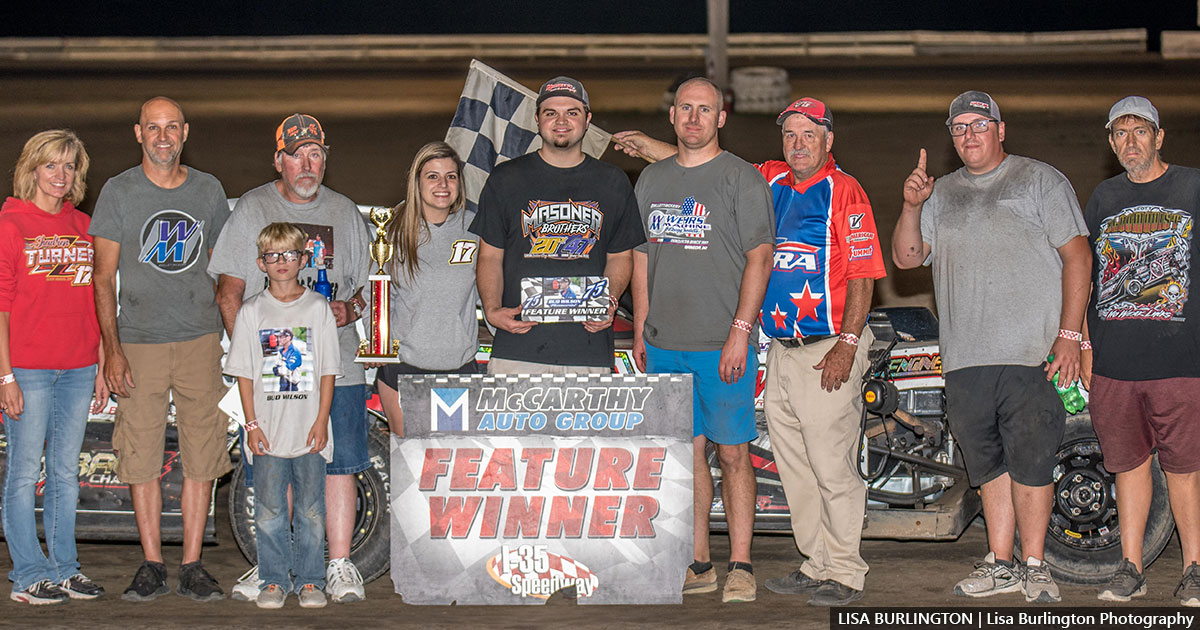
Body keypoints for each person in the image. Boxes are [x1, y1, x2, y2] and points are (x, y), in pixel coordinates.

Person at [614, 98, 885, 606]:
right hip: (780, 347)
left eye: (810, 134)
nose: (799, 144)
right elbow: (700, 161)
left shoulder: (846, 192)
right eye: (791, 134)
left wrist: (849, 344)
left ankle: (845, 570)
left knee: (830, 464)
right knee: (795, 465)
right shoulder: (769, 179)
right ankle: (815, 561)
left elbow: (865, 274)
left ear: (830, 139)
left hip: (827, 345)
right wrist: (652, 147)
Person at [891, 90, 1091, 603]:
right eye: (959, 128)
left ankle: (1035, 564)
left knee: (1032, 463)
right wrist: (912, 206)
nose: (969, 135)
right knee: (989, 469)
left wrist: (1069, 336)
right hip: (964, 359)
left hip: (1031, 355)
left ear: (1001, 130)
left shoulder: (1039, 179)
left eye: (980, 125)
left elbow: (1078, 257)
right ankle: (1001, 563)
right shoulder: (941, 193)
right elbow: (908, 257)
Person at [209, 114, 372, 603]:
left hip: (334, 365)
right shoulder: (254, 207)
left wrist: (352, 308)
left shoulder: (345, 211)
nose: (307, 163)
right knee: (274, 465)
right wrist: (251, 365)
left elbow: (366, 289)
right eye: (297, 154)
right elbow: (228, 293)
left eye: (316, 154)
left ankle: (338, 565)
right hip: (271, 375)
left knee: (338, 465)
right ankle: (273, 567)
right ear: (278, 159)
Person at [628, 77, 775, 603]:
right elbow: (643, 255)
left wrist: (740, 331)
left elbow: (761, 257)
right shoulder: (650, 179)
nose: (694, 118)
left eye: (704, 109)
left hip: (722, 343)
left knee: (734, 454)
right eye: (685, 109)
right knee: (687, 455)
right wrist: (643, 325)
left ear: (721, 118)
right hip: (666, 344)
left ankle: (740, 564)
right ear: (672, 116)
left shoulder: (741, 179)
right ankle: (699, 562)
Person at [89, 96, 231, 602]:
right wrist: (113, 349)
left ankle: (192, 564)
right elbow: (102, 277)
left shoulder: (209, 190)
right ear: (139, 133)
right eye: (154, 128)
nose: (163, 136)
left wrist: (235, 335)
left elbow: (224, 271)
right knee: (140, 454)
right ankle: (151, 563)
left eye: (172, 127)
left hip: (199, 339)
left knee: (203, 453)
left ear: (185, 132)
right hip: (138, 343)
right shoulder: (118, 191)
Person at [1082, 96, 1200, 606]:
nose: (1131, 141)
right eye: (1120, 133)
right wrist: (1084, 343)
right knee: (1126, 466)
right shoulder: (1103, 197)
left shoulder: (1193, 187)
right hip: (1115, 363)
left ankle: (1194, 569)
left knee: (1185, 469)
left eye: (1140, 131)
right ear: (1111, 143)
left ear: (1159, 137)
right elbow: (1084, 279)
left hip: (1182, 361)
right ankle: (1130, 567)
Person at [469, 76, 644, 376]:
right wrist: (492, 309)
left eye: (572, 112)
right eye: (551, 113)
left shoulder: (613, 181)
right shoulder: (505, 179)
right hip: (518, 347)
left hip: (588, 349)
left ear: (587, 120)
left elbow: (620, 257)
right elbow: (489, 256)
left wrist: (610, 301)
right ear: (537, 120)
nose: (561, 121)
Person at [0, 129, 109, 604]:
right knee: (24, 474)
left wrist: (103, 363)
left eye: (70, 167)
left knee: (65, 472)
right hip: (28, 368)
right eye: (52, 165)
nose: (60, 175)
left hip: (79, 367)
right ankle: (27, 574)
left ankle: (65, 568)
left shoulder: (86, 226)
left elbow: (98, 301)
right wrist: (5, 375)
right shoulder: (11, 224)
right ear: (33, 169)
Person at [226, 223, 341, 609]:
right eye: (272, 256)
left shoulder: (317, 308)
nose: (281, 262)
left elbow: (327, 370)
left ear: (303, 260)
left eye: (289, 255)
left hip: (309, 430)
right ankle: (273, 580)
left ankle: (310, 581)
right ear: (261, 262)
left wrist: (322, 419)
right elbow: (243, 373)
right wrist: (252, 425)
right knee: (269, 510)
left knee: (311, 510)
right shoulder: (251, 312)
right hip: (268, 433)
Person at [374, 141, 479, 435]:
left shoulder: (476, 229)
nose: (443, 184)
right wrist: (375, 344)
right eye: (432, 176)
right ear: (416, 182)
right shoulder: (393, 230)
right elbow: (377, 296)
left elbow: (491, 293)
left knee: (452, 472)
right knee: (411, 469)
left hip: (459, 367)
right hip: (404, 368)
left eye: (451, 176)